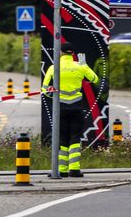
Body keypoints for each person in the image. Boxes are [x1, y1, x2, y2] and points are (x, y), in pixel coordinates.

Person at [42, 42, 99, 178]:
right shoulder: (79, 67)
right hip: (77, 107)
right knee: (75, 137)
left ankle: (61, 170)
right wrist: (84, 65)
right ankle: (74, 169)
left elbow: (45, 90)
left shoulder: (53, 68)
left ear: (61, 53)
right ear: (72, 53)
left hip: (59, 108)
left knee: (61, 138)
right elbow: (94, 79)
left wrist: (52, 92)